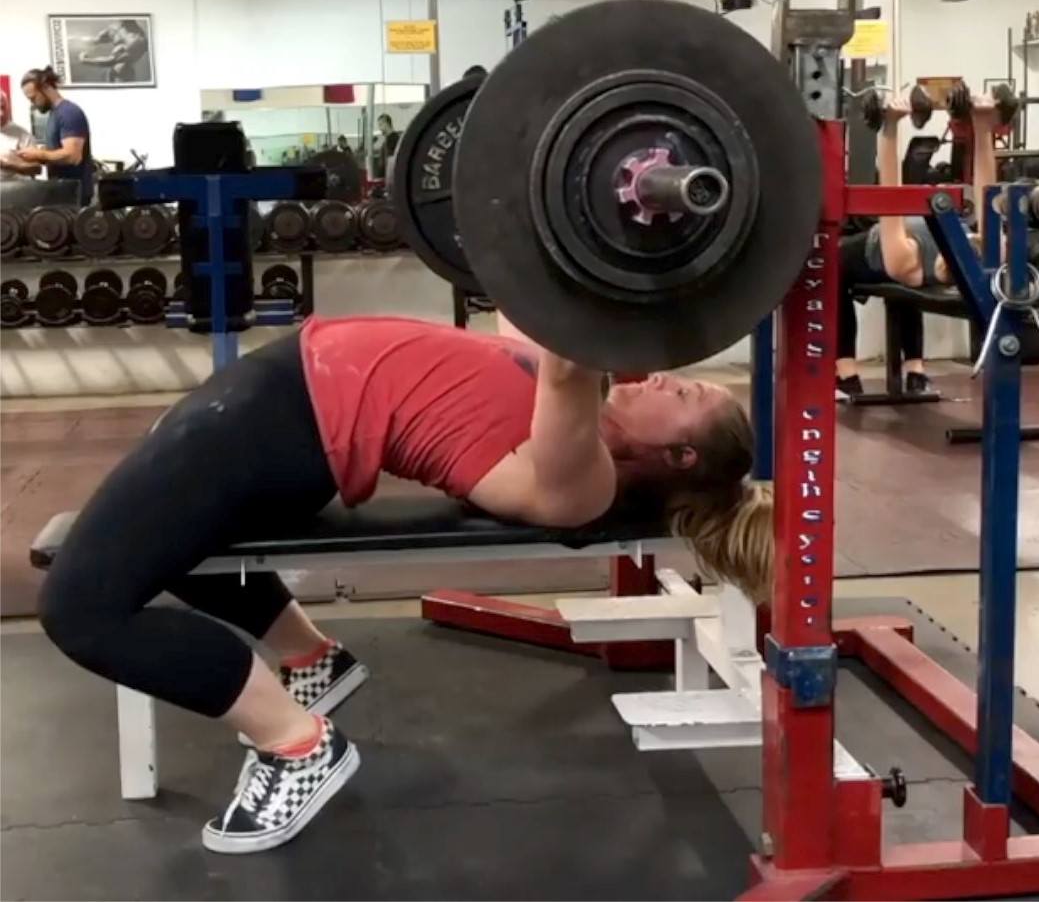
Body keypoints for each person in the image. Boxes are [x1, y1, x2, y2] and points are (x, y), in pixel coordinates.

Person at [38, 312, 772, 855]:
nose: (667, 379)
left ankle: (296, 744)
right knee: (162, 541)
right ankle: (310, 658)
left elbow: (566, 354)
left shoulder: (583, 479)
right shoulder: (584, 425)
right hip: (285, 396)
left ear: (676, 455)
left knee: (83, 609)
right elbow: (524, 303)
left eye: (686, 394)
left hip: (286, 421)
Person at [836, 92, 1003, 400]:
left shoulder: (907, 262)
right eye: (971, 238)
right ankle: (915, 371)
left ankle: (846, 374)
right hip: (916, 223)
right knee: (904, 285)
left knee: (830, 266)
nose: (970, 237)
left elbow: (890, 196)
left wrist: (889, 128)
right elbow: (988, 190)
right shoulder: (988, 250)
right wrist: (983, 125)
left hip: (876, 244)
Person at [18, 66, 94, 205]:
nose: (32, 103)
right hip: (63, 194)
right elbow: (58, 153)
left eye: (33, 98)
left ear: (46, 86)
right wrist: (35, 155)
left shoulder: (69, 113)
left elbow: (73, 156)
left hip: (75, 197)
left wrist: (39, 155)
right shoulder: (55, 114)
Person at [77, 19, 150, 84]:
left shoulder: (138, 39)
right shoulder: (115, 28)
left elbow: (112, 61)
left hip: (122, 76)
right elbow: (96, 40)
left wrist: (86, 61)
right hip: (111, 74)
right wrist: (75, 40)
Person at [0, 89, 40, 181]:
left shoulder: (23, 135)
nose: (1, 114)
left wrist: (6, 165)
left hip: (14, 191)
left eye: (3, 107)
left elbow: (36, 169)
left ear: (8, 107)